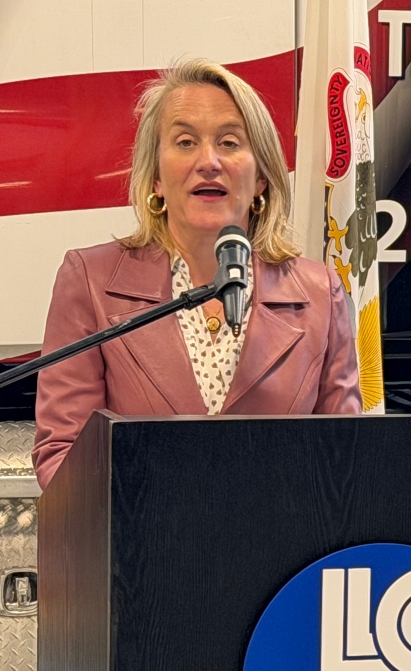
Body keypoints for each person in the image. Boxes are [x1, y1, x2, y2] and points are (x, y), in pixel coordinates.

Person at [32, 59, 361, 488]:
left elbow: (348, 460)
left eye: (229, 142)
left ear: (261, 176)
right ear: (155, 179)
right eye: (185, 142)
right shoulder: (90, 281)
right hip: (145, 548)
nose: (209, 161)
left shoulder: (321, 294)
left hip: (283, 547)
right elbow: (63, 457)